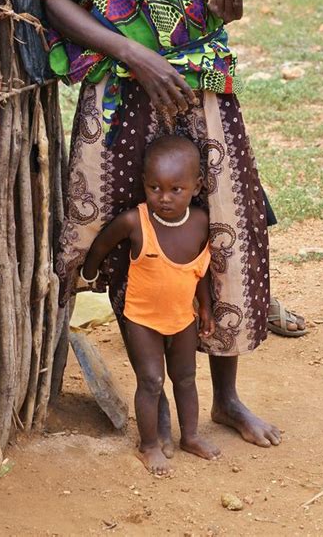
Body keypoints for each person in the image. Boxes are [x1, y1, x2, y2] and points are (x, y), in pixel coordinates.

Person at [41, 0, 282, 448]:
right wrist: (135, 56)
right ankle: (151, 389)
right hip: (120, 86)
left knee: (223, 229)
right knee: (123, 234)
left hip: (202, 79)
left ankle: (227, 399)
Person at [82, 135, 220, 475]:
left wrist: (203, 307)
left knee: (186, 377)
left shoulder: (201, 223)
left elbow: (199, 270)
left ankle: (190, 435)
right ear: (144, 184)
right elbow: (101, 244)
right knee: (151, 381)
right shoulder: (135, 222)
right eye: (155, 188)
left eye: (177, 189)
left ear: (197, 186)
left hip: (182, 318)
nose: (165, 198)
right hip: (142, 319)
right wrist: (89, 273)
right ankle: (148, 445)